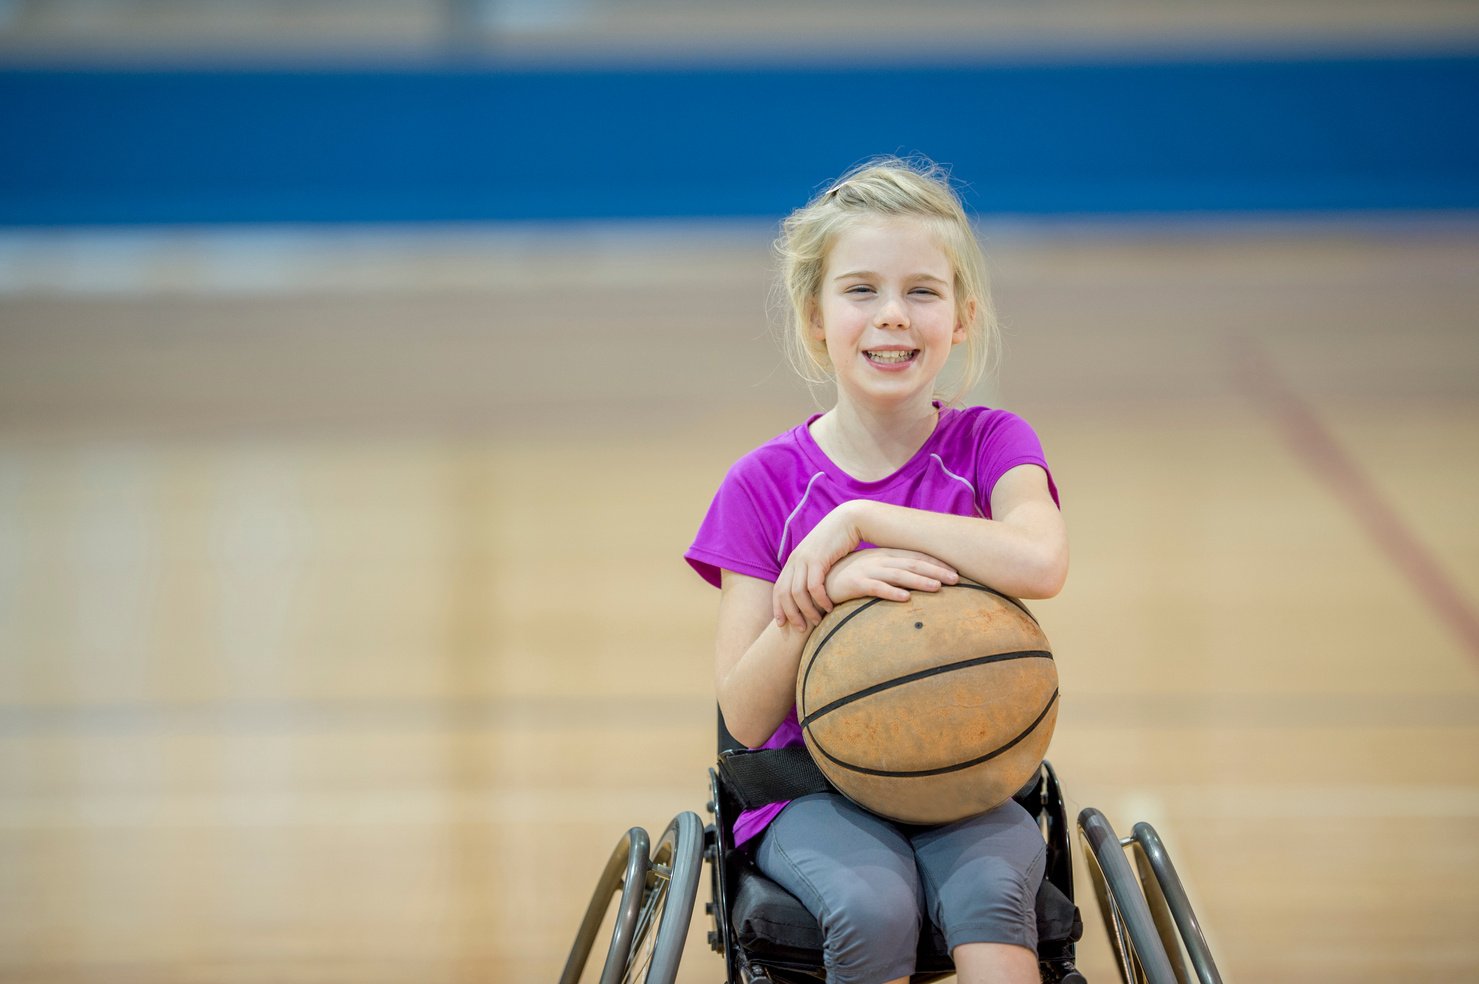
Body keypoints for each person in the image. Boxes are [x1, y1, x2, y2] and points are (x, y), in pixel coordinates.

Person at [685, 156, 1068, 984]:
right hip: (810, 790)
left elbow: (1039, 560)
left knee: (996, 898)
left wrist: (859, 521)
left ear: (962, 317)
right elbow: (745, 719)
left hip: (962, 773)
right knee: (873, 906)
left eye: (921, 292)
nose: (892, 316)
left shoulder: (990, 446)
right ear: (814, 318)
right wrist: (820, 605)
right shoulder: (760, 484)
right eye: (860, 290)